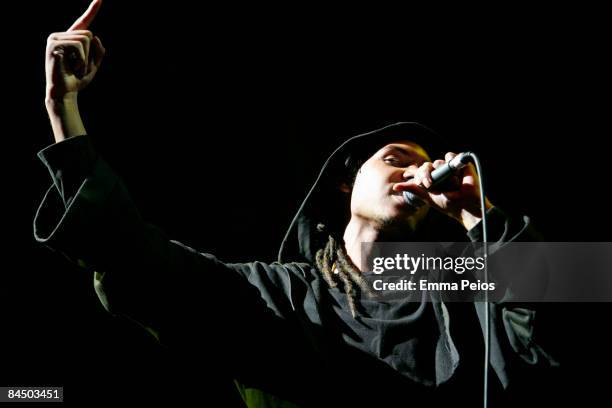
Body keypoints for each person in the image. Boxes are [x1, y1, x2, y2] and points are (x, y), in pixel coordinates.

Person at [36, 1, 558, 406]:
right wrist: (65, 110)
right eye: (395, 157)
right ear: (345, 187)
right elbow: (138, 263)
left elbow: (571, 314)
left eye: (422, 163)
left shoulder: (467, 294)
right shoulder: (276, 295)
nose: (415, 173)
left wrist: (481, 216)